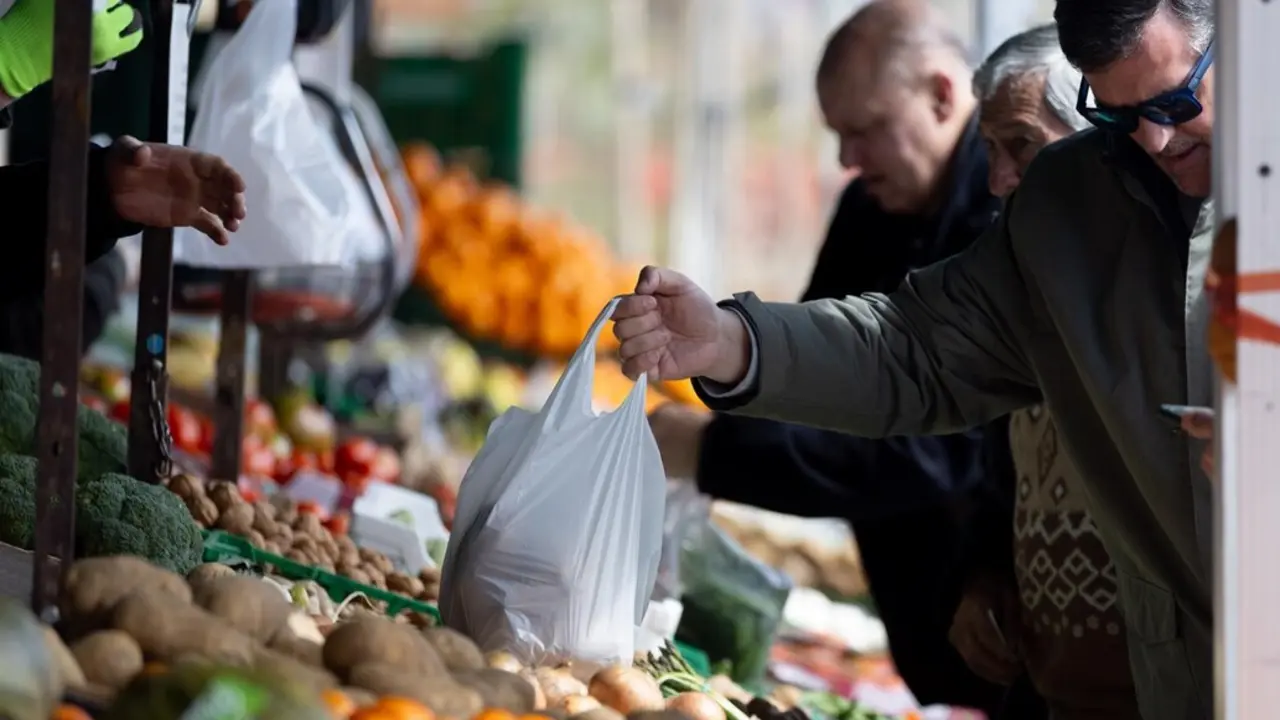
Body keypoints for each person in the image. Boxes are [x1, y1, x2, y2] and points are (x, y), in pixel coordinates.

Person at [610, 0, 1217, 716]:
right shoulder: (1069, 203)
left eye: (1177, 102)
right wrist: (730, 342)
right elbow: (914, 348)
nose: (1153, 137)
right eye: (1115, 114)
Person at [646, 2, 1042, 715]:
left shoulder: (1010, 214)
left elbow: (938, 451)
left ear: (942, 94)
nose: (847, 161)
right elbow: (821, 385)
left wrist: (715, 452)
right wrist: (733, 355)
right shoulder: (871, 209)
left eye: (864, 130)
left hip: (1017, 629)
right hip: (930, 616)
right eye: (836, 136)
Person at [945, 24, 1140, 719]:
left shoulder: (1167, 288)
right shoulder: (1023, 287)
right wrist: (989, 575)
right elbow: (1001, 478)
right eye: (991, 152)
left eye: (1021, 145)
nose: (998, 180)